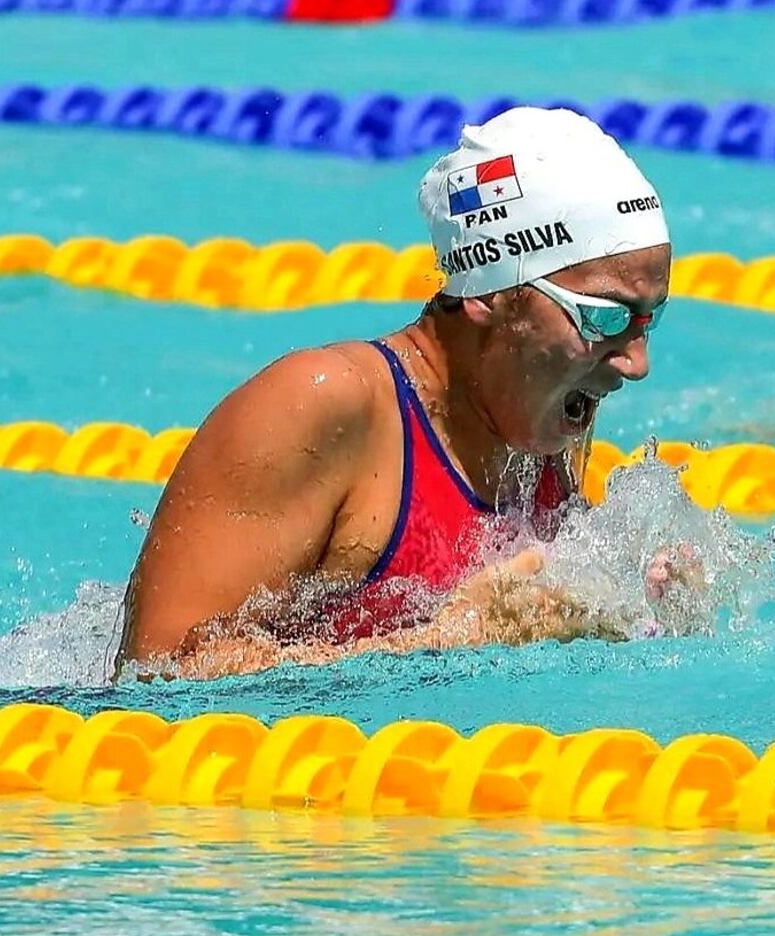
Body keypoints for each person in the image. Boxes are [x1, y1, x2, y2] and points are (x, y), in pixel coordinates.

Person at [118, 106, 673, 678]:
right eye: (606, 318)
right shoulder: (324, 405)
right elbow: (155, 681)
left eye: (649, 319)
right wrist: (452, 638)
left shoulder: (538, 428)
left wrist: (638, 610)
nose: (637, 362)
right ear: (489, 294)